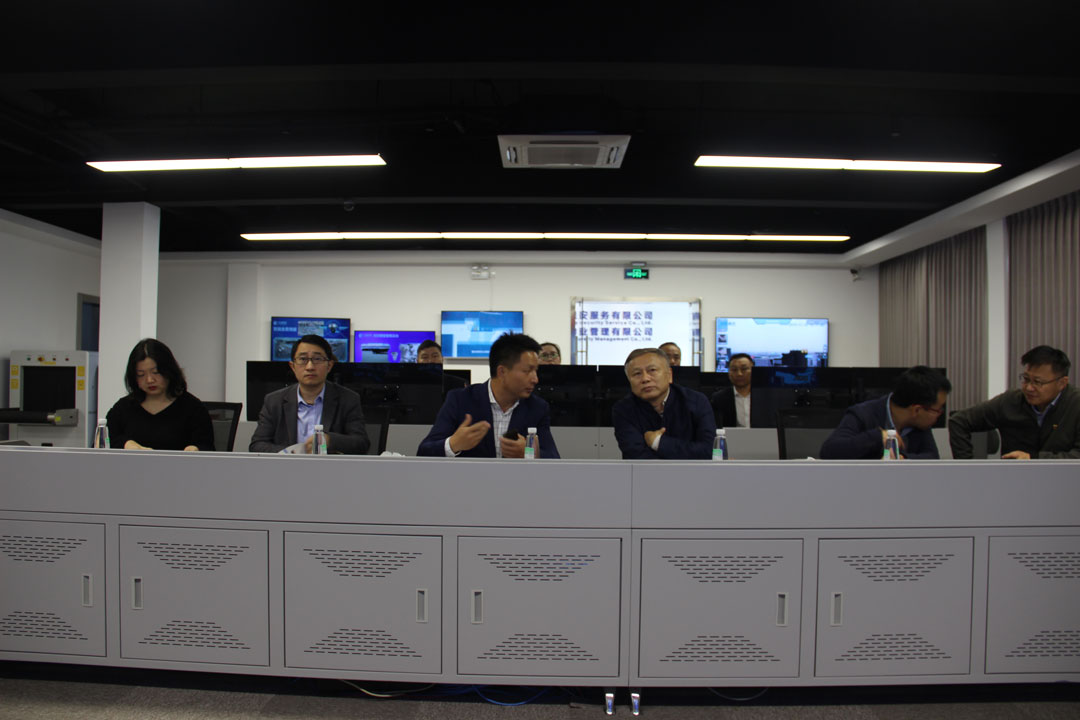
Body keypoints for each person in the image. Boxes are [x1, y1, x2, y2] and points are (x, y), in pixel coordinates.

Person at [417, 333, 560, 458]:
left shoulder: (537, 407)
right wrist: (453, 444)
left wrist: (529, 452)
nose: (535, 379)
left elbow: (554, 457)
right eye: (527, 371)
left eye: (536, 371)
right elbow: (424, 451)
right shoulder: (460, 400)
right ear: (502, 372)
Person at [949, 345, 1079, 459]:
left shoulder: (1075, 404)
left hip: (1064, 477)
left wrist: (1034, 459)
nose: (1029, 388)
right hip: (1013, 477)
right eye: (1026, 379)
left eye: (1038, 382)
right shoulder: (1010, 402)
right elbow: (959, 421)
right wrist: (968, 468)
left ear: (1062, 383)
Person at [249, 334, 370, 454]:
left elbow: (361, 443)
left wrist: (329, 440)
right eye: (303, 359)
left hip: (329, 466)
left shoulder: (348, 399)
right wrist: (290, 453)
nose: (310, 367)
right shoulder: (274, 401)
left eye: (317, 359)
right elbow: (257, 445)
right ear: (293, 366)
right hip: (287, 465)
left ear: (329, 366)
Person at [105, 338, 214, 451]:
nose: (149, 380)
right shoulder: (123, 408)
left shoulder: (193, 408)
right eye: (141, 374)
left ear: (169, 371)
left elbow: (206, 446)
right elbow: (103, 442)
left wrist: (195, 449)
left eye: (155, 372)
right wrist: (125, 444)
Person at [819, 366, 951, 459]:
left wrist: (904, 459)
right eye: (938, 410)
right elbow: (830, 451)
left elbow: (932, 457)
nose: (940, 414)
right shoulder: (863, 414)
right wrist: (878, 437)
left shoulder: (919, 425)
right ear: (916, 410)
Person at [612, 347, 715, 459]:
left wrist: (658, 442)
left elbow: (709, 451)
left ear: (669, 375)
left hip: (695, 470)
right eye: (637, 373)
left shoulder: (697, 401)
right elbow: (636, 456)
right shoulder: (623, 409)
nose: (645, 379)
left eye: (652, 370)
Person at [711, 353, 755, 428]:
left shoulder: (765, 397)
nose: (739, 374)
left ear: (753, 370)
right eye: (734, 370)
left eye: (744, 369)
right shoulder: (719, 398)